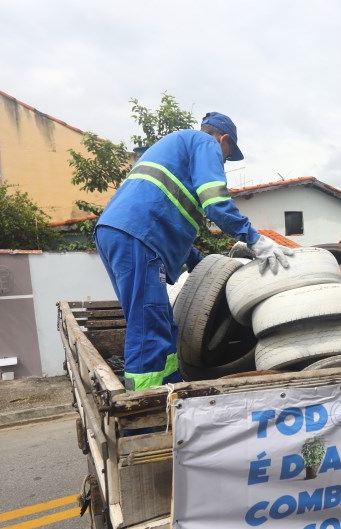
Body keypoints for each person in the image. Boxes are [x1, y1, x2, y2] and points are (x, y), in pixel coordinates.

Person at [95, 112, 293, 391]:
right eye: (226, 156)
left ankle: (171, 389)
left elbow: (172, 215)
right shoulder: (204, 143)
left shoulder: (178, 148)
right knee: (149, 327)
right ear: (223, 139)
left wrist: (200, 263)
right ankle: (145, 408)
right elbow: (215, 202)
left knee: (159, 323)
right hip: (139, 235)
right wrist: (254, 239)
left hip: (126, 233)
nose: (221, 162)